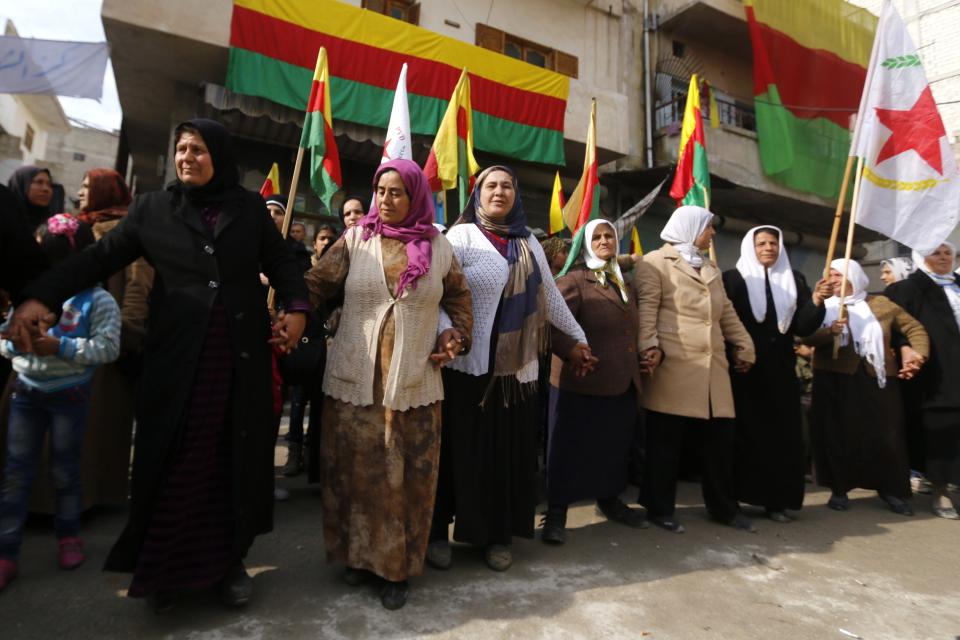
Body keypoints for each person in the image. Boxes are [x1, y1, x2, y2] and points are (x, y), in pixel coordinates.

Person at [2, 118, 308, 611]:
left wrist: (296, 307)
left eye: (199, 149)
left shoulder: (249, 209)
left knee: (230, 463)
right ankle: (165, 571)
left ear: (221, 157)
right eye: (182, 148)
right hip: (176, 363)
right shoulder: (152, 210)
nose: (187, 157)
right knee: (174, 464)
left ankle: (231, 563)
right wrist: (40, 297)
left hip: (237, 361)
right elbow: (95, 260)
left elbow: (283, 263)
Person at [303, 158, 472, 610]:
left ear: (416, 196)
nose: (386, 200)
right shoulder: (357, 239)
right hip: (355, 381)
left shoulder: (438, 247)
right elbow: (316, 284)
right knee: (355, 474)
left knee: (403, 481)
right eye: (380, 191)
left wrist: (456, 334)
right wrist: (281, 296)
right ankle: (357, 559)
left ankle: (395, 569)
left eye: (396, 192)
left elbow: (459, 297)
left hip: (412, 382)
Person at [428, 165, 592, 573]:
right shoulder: (459, 237)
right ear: (477, 193)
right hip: (467, 368)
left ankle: (498, 536)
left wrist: (580, 339)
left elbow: (550, 298)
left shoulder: (529, 243)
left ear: (515, 195)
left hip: (516, 372)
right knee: (457, 454)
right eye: (490, 186)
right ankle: (436, 534)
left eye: (506, 186)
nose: (498, 192)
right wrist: (447, 334)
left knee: (507, 457)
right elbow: (440, 297)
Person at [0, 215, 121, 592]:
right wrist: (16, 343)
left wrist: (61, 346)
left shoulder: (97, 300)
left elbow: (108, 347)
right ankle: (6, 551)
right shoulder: (28, 295)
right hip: (27, 393)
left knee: (66, 470)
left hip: (70, 396)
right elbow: (4, 340)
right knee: (15, 474)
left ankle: (68, 535)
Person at [634, 205, 756, 534]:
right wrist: (649, 347)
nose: (713, 233)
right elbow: (648, 309)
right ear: (690, 228)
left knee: (720, 443)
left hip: (713, 367)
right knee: (665, 444)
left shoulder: (711, 267)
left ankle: (723, 508)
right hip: (675, 363)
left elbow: (726, 313)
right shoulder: (655, 263)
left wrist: (745, 345)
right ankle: (659, 508)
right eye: (708, 227)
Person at [541, 219, 647, 545]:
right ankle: (556, 513)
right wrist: (572, 351)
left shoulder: (623, 281)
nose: (604, 241)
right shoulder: (573, 280)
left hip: (621, 377)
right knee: (567, 449)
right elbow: (552, 322)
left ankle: (609, 499)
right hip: (581, 379)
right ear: (585, 245)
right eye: (597, 237)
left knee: (613, 445)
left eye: (609, 236)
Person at [722, 226, 832, 522]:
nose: (768, 248)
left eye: (773, 243)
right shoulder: (733, 279)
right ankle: (731, 501)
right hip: (743, 368)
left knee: (781, 435)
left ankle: (775, 501)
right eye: (762, 243)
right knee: (742, 433)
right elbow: (724, 320)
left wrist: (818, 301)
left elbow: (802, 326)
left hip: (781, 369)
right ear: (751, 247)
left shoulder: (794, 280)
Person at [803, 259, 928, 516]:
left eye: (839, 276)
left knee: (886, 433)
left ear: (855, 278)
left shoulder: (881, 304)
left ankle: (890, 489)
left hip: (878, 379)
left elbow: (913, 327)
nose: (834, 281)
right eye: (830, 276)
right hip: (835, 378)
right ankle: (839, 488)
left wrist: (918, 354)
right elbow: (804, 335)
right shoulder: (823, 306)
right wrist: (830, 333)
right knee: (838, 433)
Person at [70, 168, 154, 510]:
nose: (81, 192)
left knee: (98, 423)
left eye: (89, 186)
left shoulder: (124, 230)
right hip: (67, 335)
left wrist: (128, 330)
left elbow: (138, 284)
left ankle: (94, 495)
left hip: (107, 336)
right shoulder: (76, 229)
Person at [885, 243, 960, 518]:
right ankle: (941, 492)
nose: (943, 257)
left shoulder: (958, 285)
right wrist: (906, 348)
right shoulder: (907, 289)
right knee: (939, 431)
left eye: (947, 253)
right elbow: (897, 326)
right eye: (936, 252)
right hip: (936, 373)